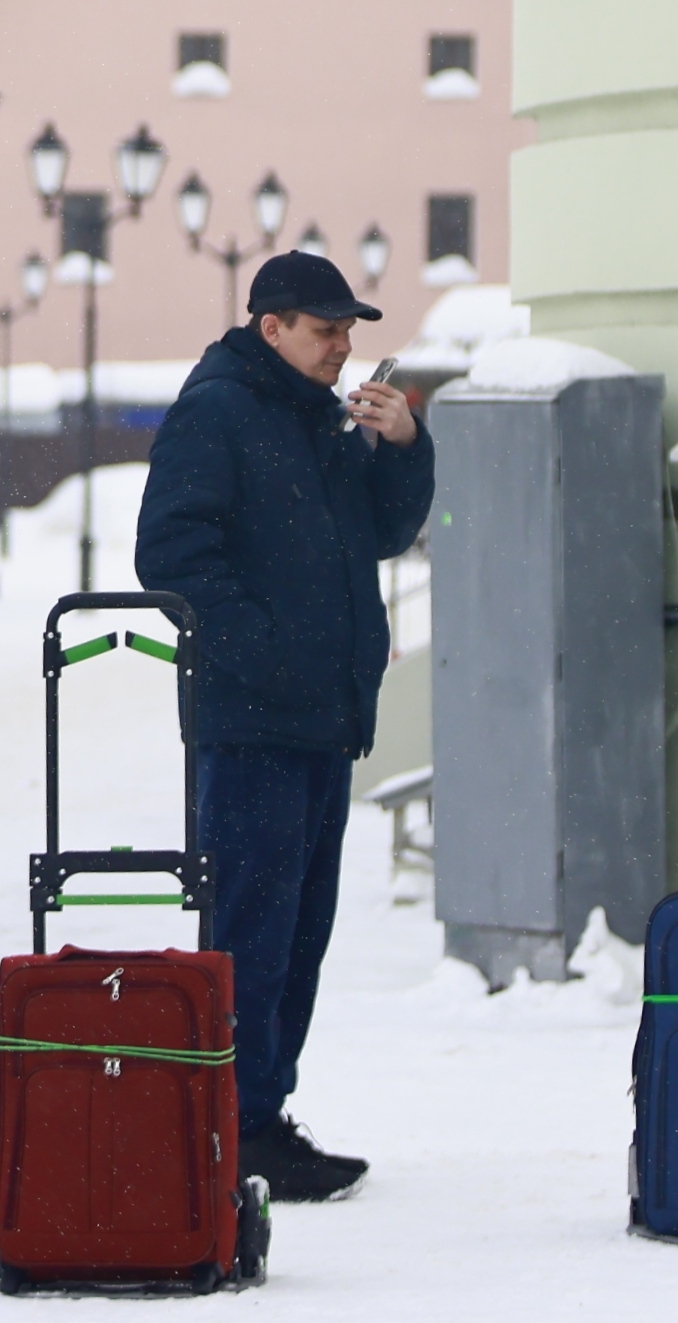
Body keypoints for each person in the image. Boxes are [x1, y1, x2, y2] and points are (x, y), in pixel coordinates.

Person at [134, 251, 433, 1202]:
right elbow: (171, 555)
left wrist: (402, 445)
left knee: (298, 932)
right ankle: (231, 1123)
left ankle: (259, 1116)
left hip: (318, 718)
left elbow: (380, 533)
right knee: (251, 932)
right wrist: (265, 655)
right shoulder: (217, 410)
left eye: (348, 330)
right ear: (271, 327)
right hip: (252, 721)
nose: (342, 346)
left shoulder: (317, 416)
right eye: (324, 329)